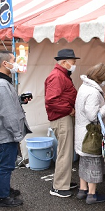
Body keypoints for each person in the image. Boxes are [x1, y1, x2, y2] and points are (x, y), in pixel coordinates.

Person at [0, 50, 32, 207]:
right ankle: (2, 197)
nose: (17, 64)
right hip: (5, 135)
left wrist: (19, 100)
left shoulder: (1, 82)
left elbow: (5, 105)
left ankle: (4, 190)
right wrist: (17, 134)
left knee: (7, 164)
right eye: (14, 60)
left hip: (2, 133)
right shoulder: (1, 84)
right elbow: (7, 113)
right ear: (5, 64)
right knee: (6, 166)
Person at [74, 63, 105, 204]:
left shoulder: (84, 87)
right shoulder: (93, 92)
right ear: (100, 78)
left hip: (82, 132)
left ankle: (82, 190)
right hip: (91, 134)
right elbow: (93, 116)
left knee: (84, 162)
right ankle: (92, 194)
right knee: (94, 163)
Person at [45, 49, 80, 197]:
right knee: (64, 152)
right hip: (61, 117)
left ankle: (63, 182)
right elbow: (51, 100)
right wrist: (70, 110)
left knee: (66, 151)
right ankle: (59, 186)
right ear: (64, 62)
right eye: (73, 62)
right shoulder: (57, 76)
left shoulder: (62, 75)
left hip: (62, 116)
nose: (74, 64)